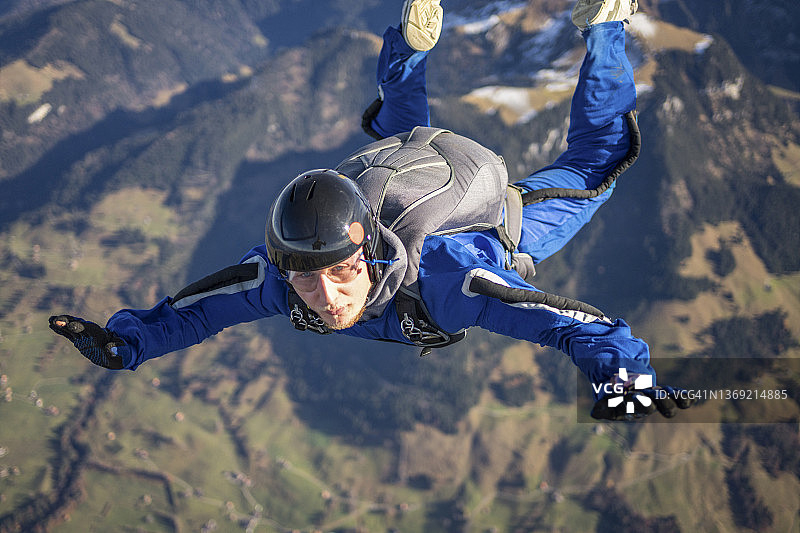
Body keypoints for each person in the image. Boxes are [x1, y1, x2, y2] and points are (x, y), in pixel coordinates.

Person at [50, 0, 694, 421]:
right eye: (307, 278)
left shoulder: (454, 282)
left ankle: (605, 22)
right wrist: (125, 345)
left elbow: (573, 324)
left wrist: (625, 381)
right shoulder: (283, 275)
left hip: (485, 214)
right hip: (396, 172)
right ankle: (409, 53)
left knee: (597, 163)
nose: (326, 298)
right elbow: (191, 314)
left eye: (339, 273)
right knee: (398, 133)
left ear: (367, 254)